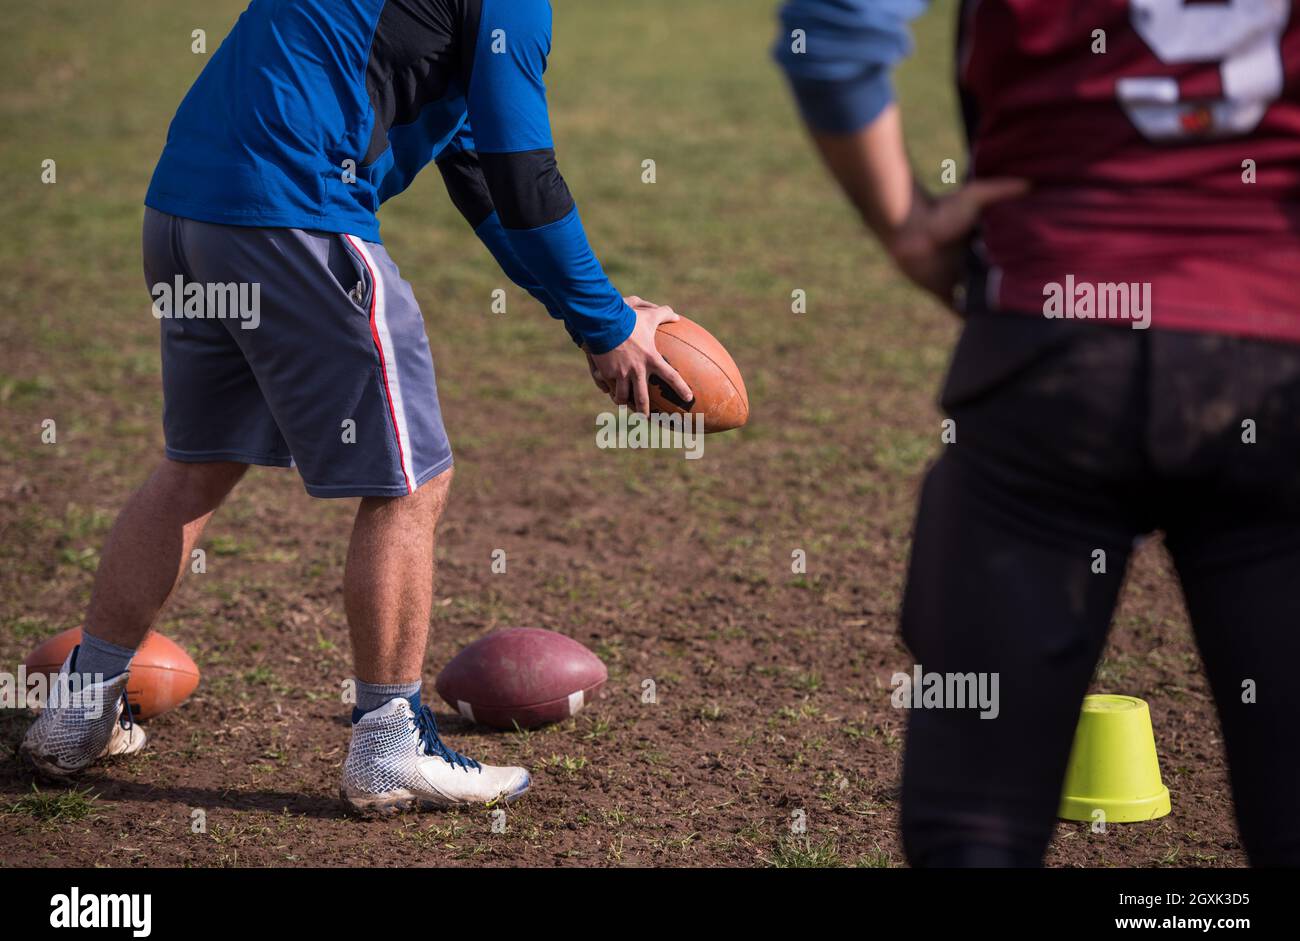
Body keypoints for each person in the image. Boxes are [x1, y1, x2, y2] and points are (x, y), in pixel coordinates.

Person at [21, 0, 692, 815]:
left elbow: (482, 177)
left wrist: (596, 318)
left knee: (196, 467)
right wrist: (611, 328)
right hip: (296, 215)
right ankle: (389, 744)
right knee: (409, 484)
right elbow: (525, 171)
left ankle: (74, 713)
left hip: (184, 213)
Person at [775, 0, 1300, 865]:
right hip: (1275, 360)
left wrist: (906, 228)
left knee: (972, 830)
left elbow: (832, 31)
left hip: (1050, 352)